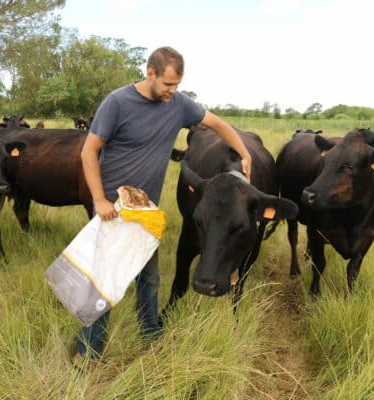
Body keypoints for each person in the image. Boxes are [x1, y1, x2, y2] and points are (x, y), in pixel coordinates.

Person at [76, 46, 252, 360]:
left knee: (150, 277)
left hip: (147, 211)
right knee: (106, 282)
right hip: (112, 210)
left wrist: (245, 153)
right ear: (150, 73)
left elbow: (219, 125)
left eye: (177, 85)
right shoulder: (117, 103)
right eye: (168, 84)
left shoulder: (179, 105)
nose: (173, 91)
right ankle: (88, 351)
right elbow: (89, 152)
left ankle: (150, 334)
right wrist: (99, 199)